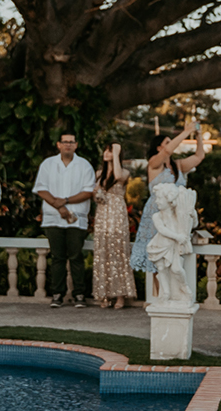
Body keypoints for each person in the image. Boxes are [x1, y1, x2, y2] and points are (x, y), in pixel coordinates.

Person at [130, 120, 207, 278]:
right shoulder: (154, 164)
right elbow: (166, 153)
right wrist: (185, 132)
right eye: (167, 143)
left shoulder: (178, 165)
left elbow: (199, 156)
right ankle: (158, 298)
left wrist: (198, 135)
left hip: (176, 216)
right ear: (159, 147)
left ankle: (171, 297)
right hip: (157, 212)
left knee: (174, 261)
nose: (171, 145)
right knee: (158, 260)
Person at [33, 130, 97, 307]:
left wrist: (67, 201)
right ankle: (57, 294)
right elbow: (41, 188)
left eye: (71, 141)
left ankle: (79, 295)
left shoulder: (84, 165)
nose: (68, 144)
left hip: (77, 218)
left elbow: (88, 191)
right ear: (58, 144)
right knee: (57, 257)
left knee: (76, 257)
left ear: (76, 145)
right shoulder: (48, 164)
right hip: (53, 217)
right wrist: (58, 206)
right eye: (65, 141)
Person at [91, 143, 135, 308]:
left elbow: (117, 175)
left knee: (118, 252)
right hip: (103, 214)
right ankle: (104, 292)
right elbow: (93, 194)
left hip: (117, 214)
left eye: (110, 150)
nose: (106, 153)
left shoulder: (124, 172)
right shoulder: (98, 174)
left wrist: (116, 153)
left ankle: (120, 295)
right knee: (103, 251)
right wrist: (97, 194)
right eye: (107, 150)